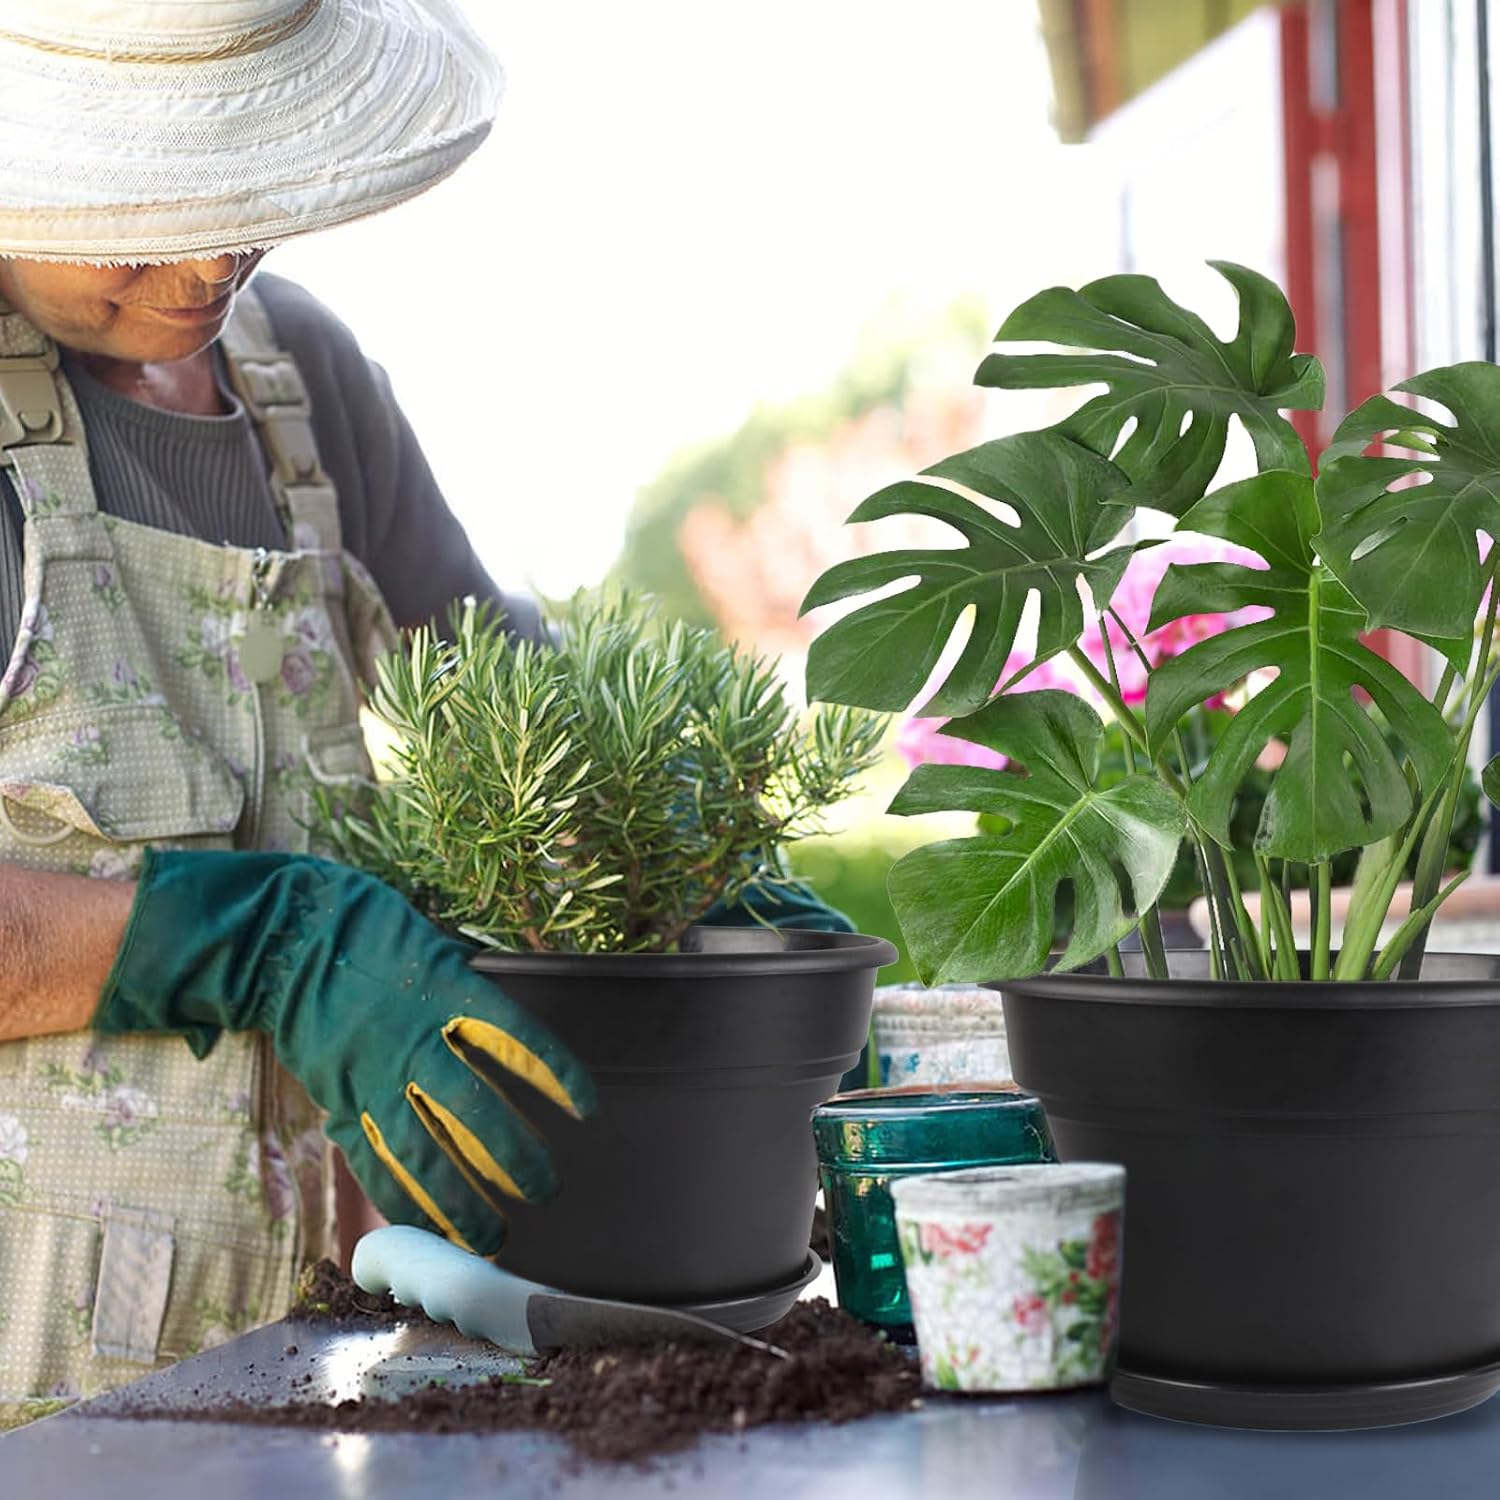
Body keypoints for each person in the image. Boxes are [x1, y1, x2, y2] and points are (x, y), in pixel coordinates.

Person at [0, 1, 845, 1428]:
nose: (209, 263)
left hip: (319, 1323)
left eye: (246, 194)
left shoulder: (297, 377)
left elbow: (497, 681)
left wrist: (686, 837)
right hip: (39, 1370)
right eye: (142, 221)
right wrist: (259, 936)